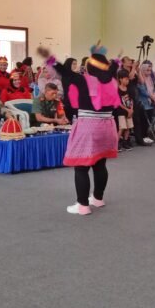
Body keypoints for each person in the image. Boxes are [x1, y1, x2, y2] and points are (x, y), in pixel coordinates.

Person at [50, 42, 120, 216]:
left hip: (89, 125)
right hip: (108, 125)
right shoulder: (112, 82)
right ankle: (97, 198)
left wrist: (50, 58)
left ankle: (82, 205)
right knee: (100, 163)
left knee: (81, 166)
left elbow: (64, 72)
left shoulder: (82, 80)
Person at [135, 60, 155, 145]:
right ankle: (143, 136)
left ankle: (146, 135)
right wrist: (151, 97)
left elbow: (153, 88)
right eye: (147, 70)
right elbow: (143, 90)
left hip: (150, 102)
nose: (149, 72)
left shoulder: (150, 79)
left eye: (150, 70)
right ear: (142, 70)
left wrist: (154, 95)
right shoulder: (140, 79)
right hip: (143, 102)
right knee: (143, 120)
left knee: (149, 119)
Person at [116, 70, 135, 150]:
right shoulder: (117, 89)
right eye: (125, 79)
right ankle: (116, 143)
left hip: (129, 111)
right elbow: (118, 102)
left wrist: (131, 109)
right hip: (121, 111)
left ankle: (125, 141)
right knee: (122, 127)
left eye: (128, 79)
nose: (127, 81)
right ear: (120, 79)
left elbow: (131, 100)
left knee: (128, 127)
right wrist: (127, 109)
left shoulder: (129, 88)